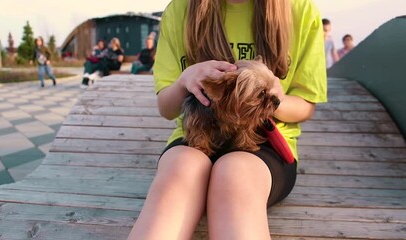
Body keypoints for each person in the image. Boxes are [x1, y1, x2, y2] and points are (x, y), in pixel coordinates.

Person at [128, 0, 327, 239]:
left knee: (235, 174)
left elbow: (306, 106)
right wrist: (184, 81)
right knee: (182, 169)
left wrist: (273, 99)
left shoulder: (300, 10)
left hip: (265, 142)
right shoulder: (179, 10)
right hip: (196, 136)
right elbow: (167, 108)